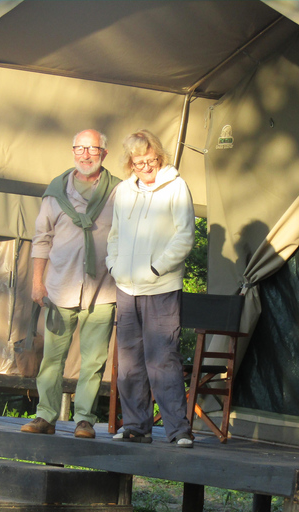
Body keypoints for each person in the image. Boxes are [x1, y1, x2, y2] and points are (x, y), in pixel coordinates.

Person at [20, 129, 121, 439]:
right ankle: (45, 416)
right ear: (73, 152)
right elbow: (41, 239)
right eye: (79, 148)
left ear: (104, 153)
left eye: (92, 148)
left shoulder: (120, 192)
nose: (85, 154)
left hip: (102, 289)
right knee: (52, 358)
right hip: (59, 287)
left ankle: (84, 419)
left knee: (94, 359)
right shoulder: (55, 192)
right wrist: (37, 283)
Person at [106, 129, 196, 448]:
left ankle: (178, 430)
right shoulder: (123, 191)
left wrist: (156, 268)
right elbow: (114, 234)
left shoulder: (177, 187)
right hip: (126, 288)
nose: (145, 166)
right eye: (138, 161)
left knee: (163, 358)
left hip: (161, 287)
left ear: (159, 157)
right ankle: (135, 426)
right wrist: (113, 265)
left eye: (150, 159)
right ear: (130, 162)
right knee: (129, 361)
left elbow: (185, 236)